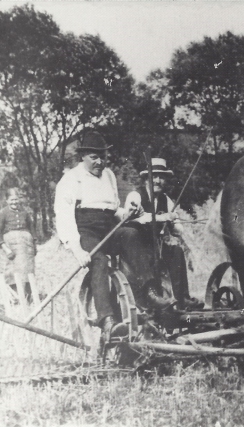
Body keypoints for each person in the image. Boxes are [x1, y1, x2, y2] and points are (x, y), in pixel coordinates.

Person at [54, 132, 172, 346]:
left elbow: (114, 208)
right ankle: (107, 320)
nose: (100, 161)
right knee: (98, 261)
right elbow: (64, 217)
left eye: (103, 156)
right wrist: (76, 249)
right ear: (83, 157)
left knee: (130, 234)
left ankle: (150, 292)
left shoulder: (108, 175)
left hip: (109, 226)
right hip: (85, 230)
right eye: (94, 157)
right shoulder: (71, 179)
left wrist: (128, 214)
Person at [125, 158, 204, 311]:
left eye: (161, 177)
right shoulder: (135, 196)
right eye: (154, 176)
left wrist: (174, 223)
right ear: (146, 178)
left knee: (176, 251)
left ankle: (183, 298)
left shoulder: (166, 200)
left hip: (157, 249)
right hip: (136, 250)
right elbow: (137, 218)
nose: (158, 180)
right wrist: (163, 217)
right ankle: (151, 295)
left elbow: (178, 229)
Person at [0, 188, 37, 304]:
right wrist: (5, 248)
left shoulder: (24, 212)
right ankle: (16, 298)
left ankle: (28, 297)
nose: (14, 203)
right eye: (11, 200)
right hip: (11, 247)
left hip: (26, 246)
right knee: (13, 271)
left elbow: (31, 228)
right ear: (7, 201)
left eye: (16, 200)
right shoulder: (3, 213)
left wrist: (34, 245)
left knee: (28, 270)